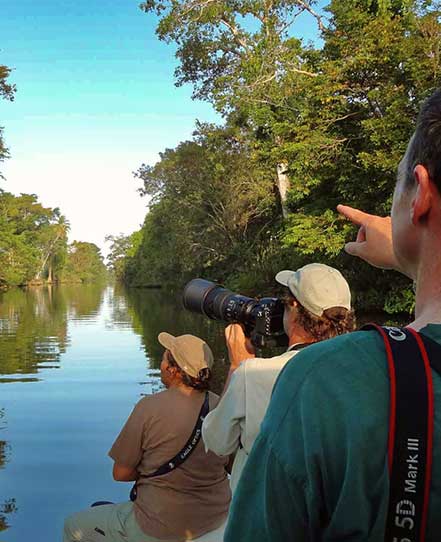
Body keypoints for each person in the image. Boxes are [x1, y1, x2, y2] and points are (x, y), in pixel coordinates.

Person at [224, 89, 441, 541]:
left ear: (420, 193)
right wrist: (412, 254)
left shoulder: (324, 379)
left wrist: (411, 251)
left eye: (397, 185)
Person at [202, 263, 355, 493]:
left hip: (264, 514)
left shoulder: (252, 374)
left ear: (293, 306)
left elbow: (217, 441)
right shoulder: (357, 371)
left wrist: (236, 365)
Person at [63, 333, 231, 542]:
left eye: (163, 359)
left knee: (73, 526)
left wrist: (155, 472)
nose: (161, 365)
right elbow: (231, 464)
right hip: (215, 517)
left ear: (173, 369)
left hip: (158, 526)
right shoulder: (223, 408)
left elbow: (120, 473)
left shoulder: (148, 407)